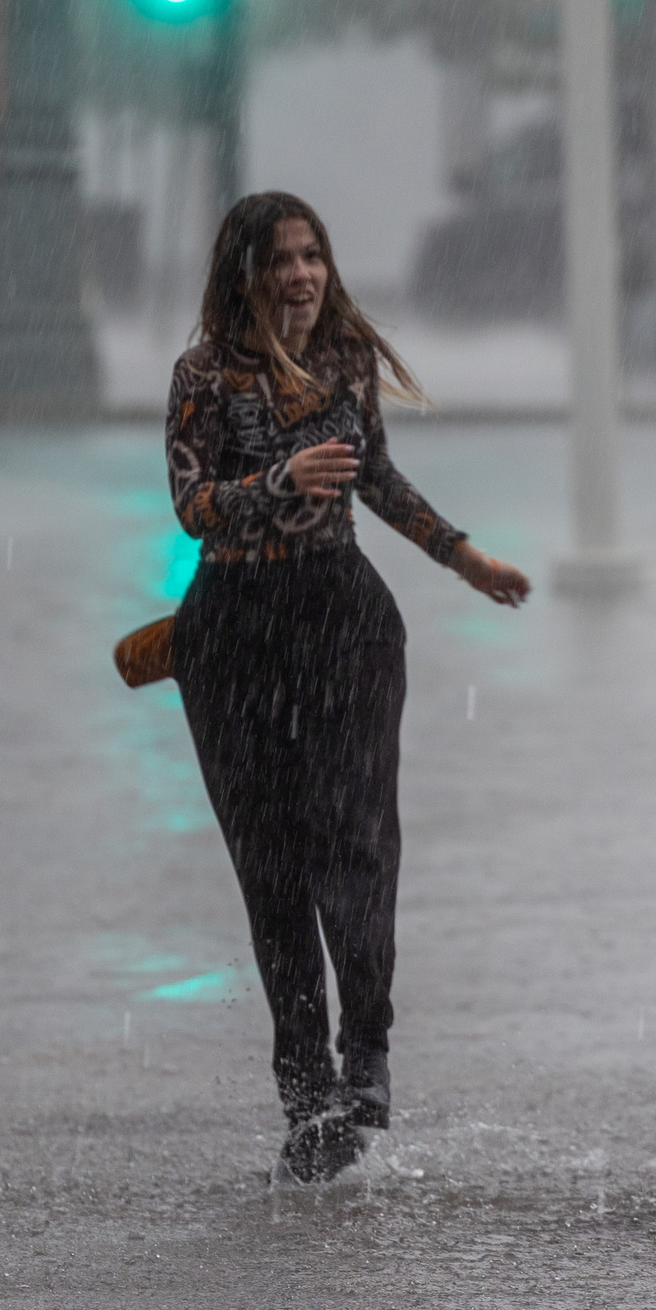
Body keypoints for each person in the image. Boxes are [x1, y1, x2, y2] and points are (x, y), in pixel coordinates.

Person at [166, 192, 530, 1184]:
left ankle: (365, 1055)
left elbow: (377, 479)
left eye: (313, 255)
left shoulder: (344, 359)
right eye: (281, 259)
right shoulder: (203, 375)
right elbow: (193, 506)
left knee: (357, 843)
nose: (302, 275)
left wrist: (463, 557)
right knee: (273, 871)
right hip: (233, 635)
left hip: (343, 624)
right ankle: (307, 1093)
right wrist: (280, 480)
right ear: (244, 275)